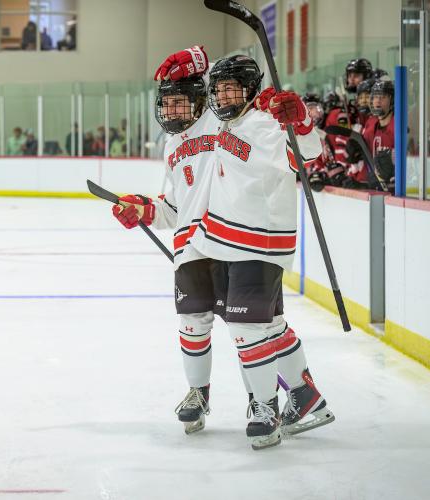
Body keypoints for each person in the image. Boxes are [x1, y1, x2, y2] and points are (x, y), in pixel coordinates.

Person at [193, 55, 333, 449]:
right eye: (218, 88)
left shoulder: (270, 120)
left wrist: (300, 120)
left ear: (251, 88)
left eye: (232, 86)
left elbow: (307, 157)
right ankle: (306, 398)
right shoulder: (222, 124)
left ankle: (264, 407)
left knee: (245, 328)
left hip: (261, 239)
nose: (223, 95)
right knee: (267, 326)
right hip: (226, 241)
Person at [110, 45, 220, 434]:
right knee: (192, 323)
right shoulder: (172, 145)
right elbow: (174, 206)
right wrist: (143, 209)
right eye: (167, 104)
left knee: (253, 328)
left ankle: (271, 398)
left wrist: (194, 59)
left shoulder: (222, 124)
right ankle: (197, 392)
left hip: (233, 242)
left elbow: (217, 68)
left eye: (180, 102)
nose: (172, 111)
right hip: (192, 248)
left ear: (201, 98)